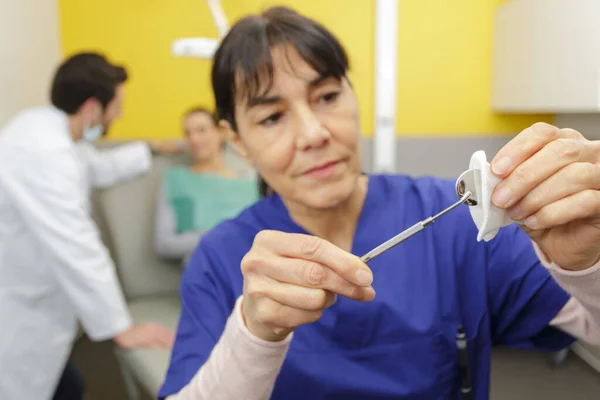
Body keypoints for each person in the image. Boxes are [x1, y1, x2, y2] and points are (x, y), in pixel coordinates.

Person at [158, 7, 600, 400]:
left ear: (353, 94)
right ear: (237, 141)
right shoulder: (220, 260)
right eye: (272, 117)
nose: (314, 133)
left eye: (327, 96)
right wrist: (254, 336)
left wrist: (586, 266)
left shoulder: (456, 225)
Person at [0, 52, 176, 400]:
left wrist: (148, 149)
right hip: (19, 313)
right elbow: (77, 245)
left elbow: (91, 167)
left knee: (69, 386)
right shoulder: (45, 154)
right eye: (118, 105)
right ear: (94, 108)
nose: (120, 114)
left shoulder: (41, 129)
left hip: (33, 303)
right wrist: (121, 327)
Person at [154, 107, 259, 261]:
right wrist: (221, 235)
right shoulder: (177, 179)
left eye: (201, 130)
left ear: (220, 132)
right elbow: (163, 243)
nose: (194, 139)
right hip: (206, 268)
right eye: (188, 134)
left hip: (254, 265)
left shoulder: (250, 180)